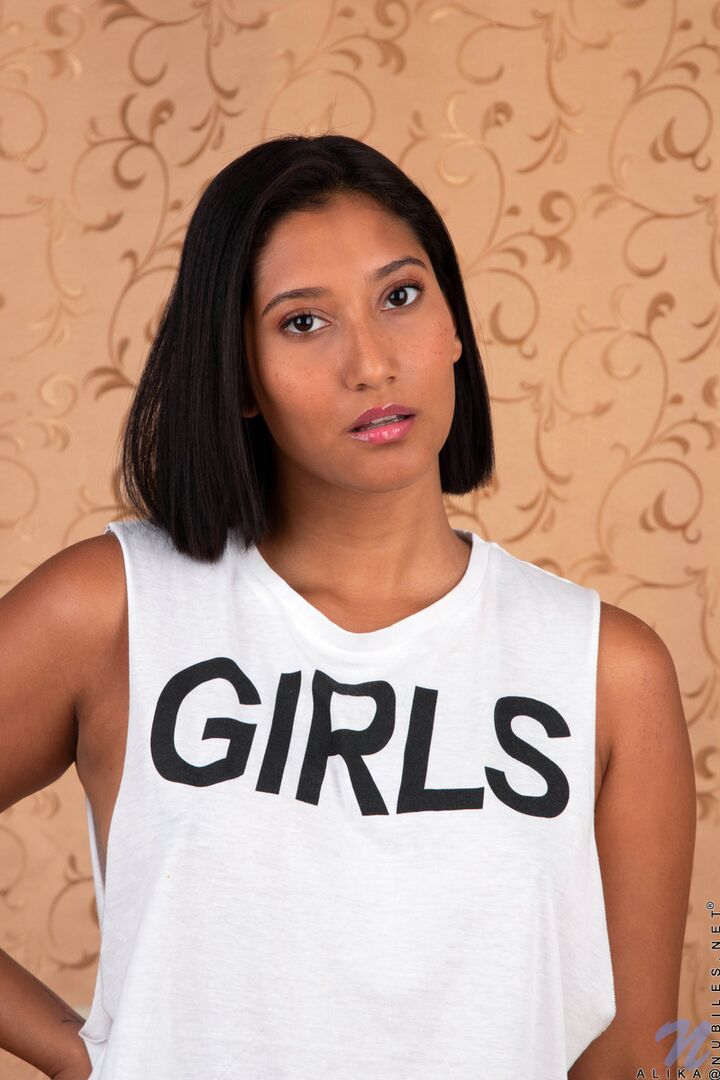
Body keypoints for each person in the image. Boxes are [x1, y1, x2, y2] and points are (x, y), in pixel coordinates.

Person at [0, 133, 696, 1080]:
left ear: (455, 326)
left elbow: (633, 1060)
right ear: (239, 374)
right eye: (302, 322)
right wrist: (83, 1056)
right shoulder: (115, 611)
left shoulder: (607, 671)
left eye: (400, 297)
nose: (371, 363)